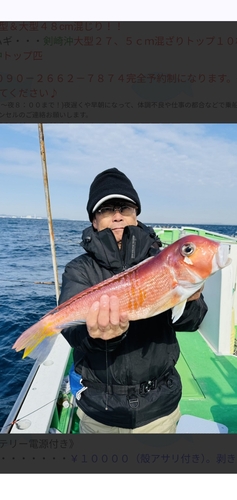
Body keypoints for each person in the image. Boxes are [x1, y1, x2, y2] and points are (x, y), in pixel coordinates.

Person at [59, 168, 208, 433]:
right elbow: (72, 331)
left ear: (136, 215)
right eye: (106, 209)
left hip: (159, 409)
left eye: (125, 208)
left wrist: (191, 298)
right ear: (94, 220)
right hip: (99, 412)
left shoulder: (163, 260)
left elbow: (192, 321)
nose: (117, 216)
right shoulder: (78, 270)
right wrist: (101, 335)